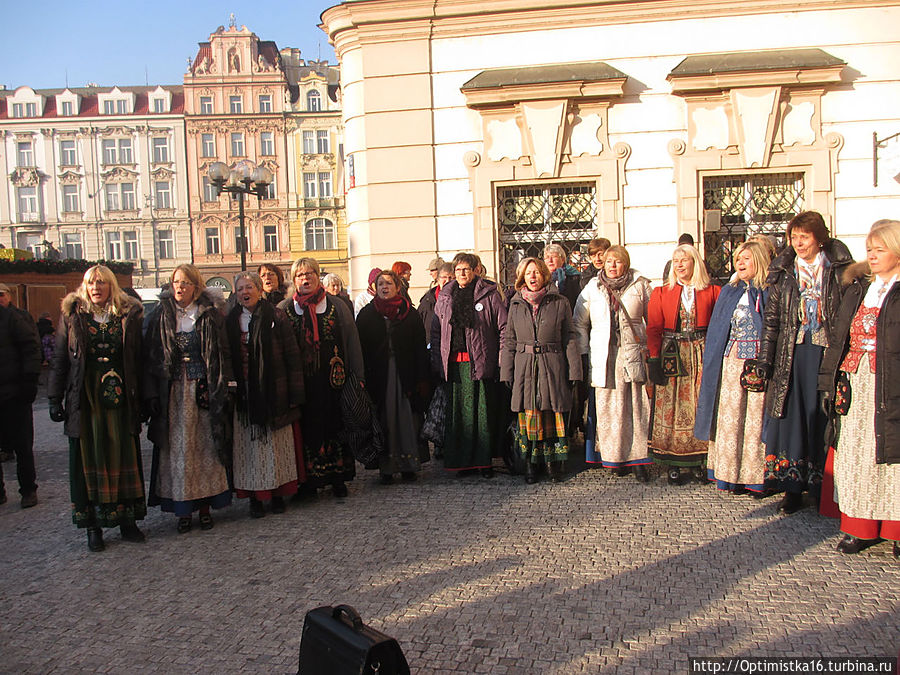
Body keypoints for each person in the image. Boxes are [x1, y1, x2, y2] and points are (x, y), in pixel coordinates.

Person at [755, 211, 853, 513]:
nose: (798, 243)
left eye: (805, 237)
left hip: (826, 352)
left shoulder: (838, 269)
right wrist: (765, 360)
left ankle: (822, 488)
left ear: (819, 238)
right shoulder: (784, 271)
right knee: (791, 417)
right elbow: (772, 321)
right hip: (792, 351)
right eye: (794, 237)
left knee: (822, 417)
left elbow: (846, 315)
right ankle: (792, 487)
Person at [48, 265, 146, 552]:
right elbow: (59, 358)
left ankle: (127, 520)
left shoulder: (128, 314)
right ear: (84, 286)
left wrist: (145, 398)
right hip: (86, 395)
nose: (96, 288)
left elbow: (138, 358)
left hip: (121, 395)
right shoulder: (73, 315)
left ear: (111, 286)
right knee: (90, 456)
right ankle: (93, 526)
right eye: (91, 283)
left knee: (122, 450)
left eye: (102, 283)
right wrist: (55, 398)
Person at [818, 219, 900, 558]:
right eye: (870, 249)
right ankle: (860, 527)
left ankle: (896, 530)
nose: (873, 255)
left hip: (891, 381)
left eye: (880, 249)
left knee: (892, 457)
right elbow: (838, 339)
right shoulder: (857, 288)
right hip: (855, 382)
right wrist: (828, 382)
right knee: (855, 454)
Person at [143, 264, 233, 533]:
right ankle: (183, 509)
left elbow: (223, 353)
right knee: (178, 450)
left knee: (205, 447)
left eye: (185, 283)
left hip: (203, 389)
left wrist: (225, 386)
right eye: (175, 283)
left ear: (196, 286)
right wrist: (151, 395)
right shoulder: (161, 315)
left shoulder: (209, 314)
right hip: (172, 392)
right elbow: (150, 357)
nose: (179, 287)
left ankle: (205, 507)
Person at [279, 258, 364, 499]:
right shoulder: (286, 308)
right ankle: (309, 481)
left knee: (335, 425)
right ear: (294, 280)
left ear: (318, 276)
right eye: (300, 275)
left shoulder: (337, 306)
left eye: (309, 274)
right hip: (302, 382)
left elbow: (352, 342)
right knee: (306, 429)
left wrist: (357, 376)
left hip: (333, 380)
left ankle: (337, 477)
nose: (305, 279)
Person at [694, 241, 772, 494]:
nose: (740, 262)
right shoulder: (730, 291)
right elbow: (719, 330)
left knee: (753, 420)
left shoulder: (768, 291)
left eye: (746, 258)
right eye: (738, 258)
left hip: (756, 363)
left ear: (758, 261)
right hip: (730, 362)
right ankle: (727, 473)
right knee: (730, 418)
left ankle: (753, 476)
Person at [226, 272, 303, 518]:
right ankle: (254, 497)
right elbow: (226, 356)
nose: (244, 293)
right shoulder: (230, 321)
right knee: (247, 450)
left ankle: (278, 494)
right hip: (245, 395)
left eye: (249, 287)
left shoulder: (277, 316)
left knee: (276, 448)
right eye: (240, 289)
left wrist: (294, 393)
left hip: (274, 392)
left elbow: (292, 356)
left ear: (259, 290)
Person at [574, 245, 652, 480]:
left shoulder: (640, 285)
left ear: (625, 263)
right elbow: (579, 322)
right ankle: (613, 457)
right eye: (609, 261)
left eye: (617, 261)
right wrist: (584, 351)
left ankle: (638, 459)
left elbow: (654, 318)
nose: (613, 266)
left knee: (634, 407)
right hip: (604, 356)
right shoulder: (593, 287)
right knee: (607, 409)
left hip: (631, 354)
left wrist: (650, 349)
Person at [501, 257, 581, 483]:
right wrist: (506, 372)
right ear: (522, 278)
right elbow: (509, 341)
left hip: (552, 364)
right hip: (525, 367)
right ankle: (530, 465)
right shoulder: (515, 304)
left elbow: (569, 337)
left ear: (544, 275)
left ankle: (553, 464)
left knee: (552, 411)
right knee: (530, 413)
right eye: (528, 273)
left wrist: (574, 370)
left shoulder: (559, 301)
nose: (533, 277)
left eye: (536, 272)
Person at [647, 244, 721, 484]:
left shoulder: (712, 291)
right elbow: (654, 328)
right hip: (673, 353)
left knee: (700, 403)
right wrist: (654, 359)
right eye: (676, 260)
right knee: (671, 406)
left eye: (684, 260)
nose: (679, 265)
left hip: (701, 351)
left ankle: (701, 460)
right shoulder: (661, 292)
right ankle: (672, 461)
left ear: (695, 262)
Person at [432, 252, 508, 477]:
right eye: (458, 270)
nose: (462, 274)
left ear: (476, 270)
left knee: (480, 415)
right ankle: (460, 463)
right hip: (454, 365)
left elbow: (503, 327)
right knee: (459, 418)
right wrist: (436, 360)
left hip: (480, 363)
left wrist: (502, 359)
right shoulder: (445, 296)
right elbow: (437, 332)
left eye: (466, 269)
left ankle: (483, 463)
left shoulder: (489, 294)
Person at [357, 270, 430, 483]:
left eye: (389, 283)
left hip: (405, 376)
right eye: (380, 284)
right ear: (375, 288)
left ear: (398, 287)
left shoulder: (410, 313)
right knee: (384, 421)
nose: (384, 287)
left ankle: (409, 465)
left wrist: (422, 378)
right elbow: (361, 349)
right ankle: (386, 468)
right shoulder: (367, 315)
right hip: (380, 378)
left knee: (408, 420)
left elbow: (419, 348)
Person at [0, 282, 41, 508]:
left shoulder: (14, 318)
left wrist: (29, 382)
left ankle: (28, 489)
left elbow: (31, 348)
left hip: (15, 392)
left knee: (22, 445)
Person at [418, 263, 454, 346]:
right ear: (438, 279)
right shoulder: (427, 300)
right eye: (444, 277)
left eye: (451, 277)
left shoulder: (462, 299)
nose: (448, 281)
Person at [543, 244, 581, 311]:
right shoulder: (542, 278)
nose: (550, 260)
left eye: (554, 256)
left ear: (562, 259)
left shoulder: (574, 277)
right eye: (547, 257)